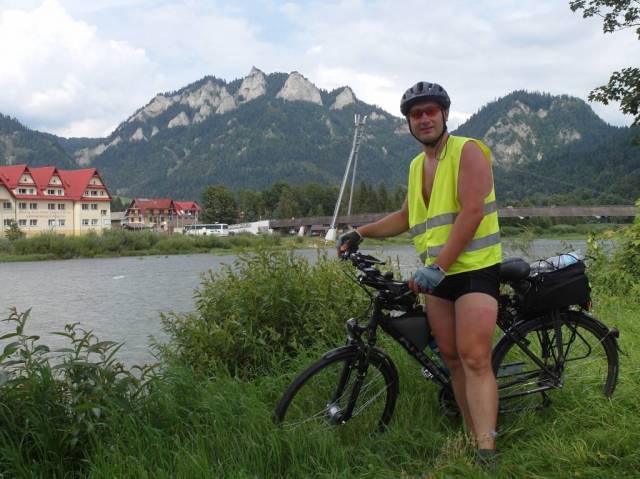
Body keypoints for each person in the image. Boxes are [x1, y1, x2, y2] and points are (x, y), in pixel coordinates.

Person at [337, 81, 502, 461]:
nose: (424, 118)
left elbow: (472, 212)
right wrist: (360, 232)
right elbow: (407, 216)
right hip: (438, 276)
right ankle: (470, 433)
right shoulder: (417, 166)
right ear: (409, 123)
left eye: (430, 111)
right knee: (452, 358)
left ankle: (487, 447)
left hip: (474, 269)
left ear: (444, 114)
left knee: (475, 357)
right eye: (416, 114)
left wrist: (440, 265)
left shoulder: (468, 150)